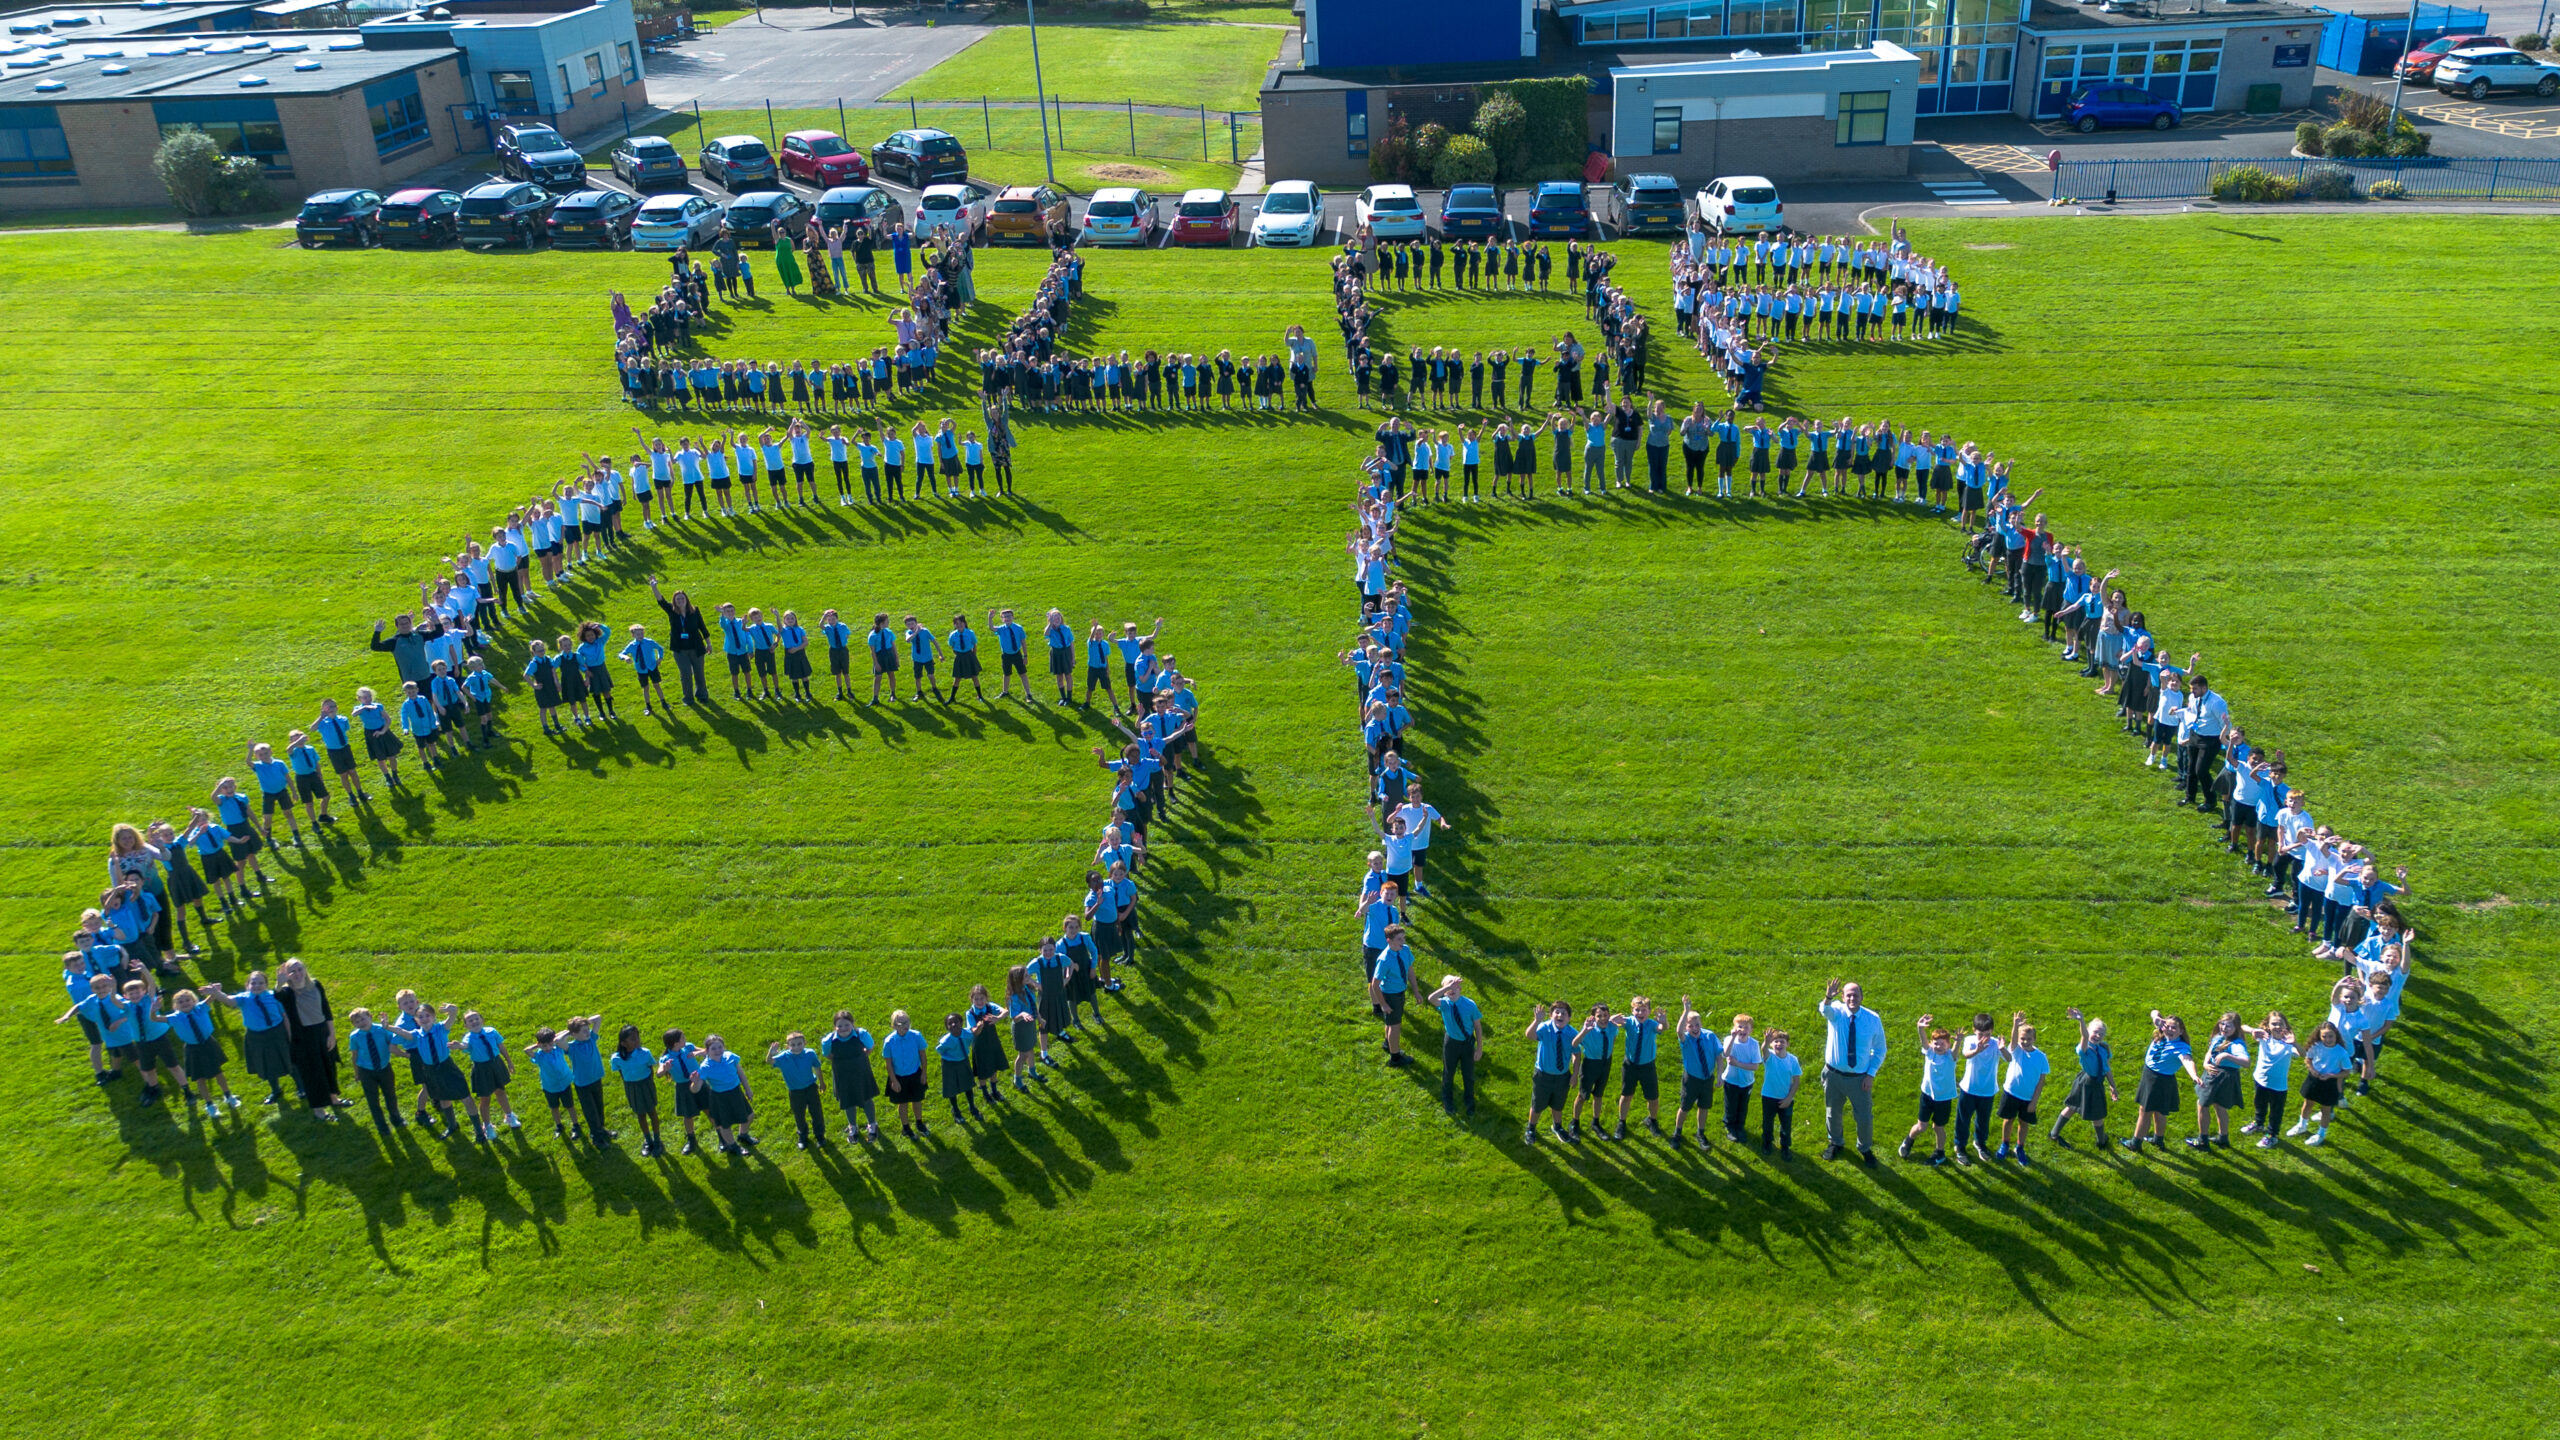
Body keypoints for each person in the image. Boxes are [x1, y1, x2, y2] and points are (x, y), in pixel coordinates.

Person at [1817, 977, 1886, 1163]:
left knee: (1864, 1117)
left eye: (1856, 995)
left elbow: (1880, 1049)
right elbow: (1824, 1010)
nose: (1852, 998)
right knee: (1833, 1112)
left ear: (1862, 996)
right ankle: (1836, 1143)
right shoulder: (1836, 1011)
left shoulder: (1872, 1019)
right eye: (1848, 995)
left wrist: (1871, 1074)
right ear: (1842, 996)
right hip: (1833, 1075)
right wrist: (1828, 997)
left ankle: (1864, 1148)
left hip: (1859, 1078)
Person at [2124, 1011, 2199, 1153]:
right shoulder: (2161, 1033)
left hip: (2158, 1080)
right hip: (2151, 1076)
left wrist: (2194, 1075)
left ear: (2181, 1031)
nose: (2170, 1030)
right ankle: (2158, 1140)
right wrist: (2157, 1018)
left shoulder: (2181, 1047)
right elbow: (2153, 1012)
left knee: (2145, 1111)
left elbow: (2187, 1060)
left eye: (2174, 1028)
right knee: (2158, 1112)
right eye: (2168, 1026)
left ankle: (2135, 1143)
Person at [2047, 1008, 2116, 1150]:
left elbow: (2106, 1068)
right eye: (2095, 1032)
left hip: (2097, 1082)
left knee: (2088, 1112)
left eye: (2101, 1033)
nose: (2097, 1035)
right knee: (2082, 1110)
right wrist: (2081, 1021)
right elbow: (2084, 1036)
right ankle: (2101, 1141)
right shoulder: (2084, 1049)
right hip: (2086, 1082)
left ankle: (2055, 1133)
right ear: (2089, 1031)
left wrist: (2112, 1086)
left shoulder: (2103, 1048)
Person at [1899, 1015, 1959, 1165]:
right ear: (1932, 1044)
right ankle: (1908, 1141)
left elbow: (1956, 1051)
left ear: (1948, 1045)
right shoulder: (1930, 1052)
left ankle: (1940, 1152)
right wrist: (1920, 1028)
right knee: (1921, 1126)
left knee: (1938, 1127)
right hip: (1927, 1095)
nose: (1939, 1046)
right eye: (1936, 1043)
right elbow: (1924, 1042)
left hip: (1944, 1098)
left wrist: (1958, 1041)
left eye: (1942, 1044)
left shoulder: (1950, 1057)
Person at [2189, 1012, 2248, 1151]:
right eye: (2222, 1024)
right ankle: (2223, 1138)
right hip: (2214, 1074)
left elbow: (2246, 1062)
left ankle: (2202, 1140)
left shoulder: (2236, 1044)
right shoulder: (2219, 1037)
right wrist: (2205, 1063)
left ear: (2236, 1028)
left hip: (2220, 1077)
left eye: (2229, 1026)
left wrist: (2227, 1055)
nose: (2224, 1028)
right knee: (2219, 1106)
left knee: (2202, 1105)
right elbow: (2210, 1051)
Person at [690, 1034, 757, 1156]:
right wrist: (694, 1082)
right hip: (720, 1097)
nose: (717, 1051)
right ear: (707, 1051)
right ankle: (732, 1146)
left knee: (750, 1115)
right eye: (713, 1048)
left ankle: (743, 1134)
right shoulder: (705, 1067)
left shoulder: (730, 1057)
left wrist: (748, 1089)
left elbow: (741, 1074)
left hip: (736, 1092)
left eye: (720, 1047)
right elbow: (695, 1090)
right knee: (725, 1124)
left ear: (724, 1047)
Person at [2290, 1020, 2353, 1146]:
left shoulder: (2341, 1052)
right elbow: (2308, 1059)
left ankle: (2321, 1134)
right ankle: (2302, 1125)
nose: (2328, 1039)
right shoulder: (2316, 1046)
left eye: (2331, 1036)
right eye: (2324, 1036)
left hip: (2329, 1083)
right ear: (2319, 1036)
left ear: (2336, 1035)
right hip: (2314, 1079)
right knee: (2308, 1103)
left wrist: (2332, 1075)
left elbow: (2347, 1071)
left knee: (2326, 1110)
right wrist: (2313, 1070)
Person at [1668, 998, 1721, 1148]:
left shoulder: (1710, 1036)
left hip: (1707, 1078)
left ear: (1701, 1024)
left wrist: (1720, 1075)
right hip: (1691, 1079)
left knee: (1704, 1107)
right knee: (1685, 1107)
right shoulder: (1686, 1039)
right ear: (1686, 1027)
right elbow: (1678, 1031)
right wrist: (1686, 1010)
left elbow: (1719, 1056)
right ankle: (1677, 1133)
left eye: (1697, 1024)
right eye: (1690, 1025)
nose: (1695, 1028)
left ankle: (1700, 1133)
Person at [1996, 1019, 2050, 1164]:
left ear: (2034, 1039)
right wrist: (2015, 1024)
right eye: (2022, 1039)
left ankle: (2020, 1147)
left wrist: (2034, 1102)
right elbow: (2013, 1042)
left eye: (2029, 1039)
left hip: (2028, 1098)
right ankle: (2005, 1144)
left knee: (2023, 1123)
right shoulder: (2016, 1050)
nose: (2025, 1042)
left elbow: (2041, 1081)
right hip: (2011, 1093)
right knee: (2008, 1120)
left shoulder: (2041, 1058)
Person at [1427, 974, 1481, 1118]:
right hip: (1451, 1043)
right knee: (1448, 1072)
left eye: (1454, 985)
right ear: (1445, 991)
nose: (1452, 988)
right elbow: (1431, 998)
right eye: (1448, 986)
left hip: (1467, 1044)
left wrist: (1479, 1048)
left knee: (1468, 1074)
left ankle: (1469, 1101)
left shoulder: (1470, 1005)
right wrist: (1447, 987)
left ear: (1460, 988)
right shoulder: (1444, 1004)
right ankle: (1447, 1099)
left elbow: (1477, 1027)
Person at [1523, 1000, 1576, 1144]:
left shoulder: (1572, 1033)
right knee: (1537, 1105)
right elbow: (1529, 1035)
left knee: (1558, 1104)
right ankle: (1531, 1128)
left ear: (1569, 1018)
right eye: (1556, 1012)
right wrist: (1536, 1021)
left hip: (1562, 1076)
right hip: (1543, 1075)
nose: (1560, 1015)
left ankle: (1557, 1127)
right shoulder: (1544, 1028)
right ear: (1551, 1015)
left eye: (1564, 1013)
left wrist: (1575, 1074)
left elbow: (1576, 1053)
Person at [1952, 1010, 2001, 1164]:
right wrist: (1977, 1050)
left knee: (1983, 1120)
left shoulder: (1996, 1044)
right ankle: (1960, 1146)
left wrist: (2003, 1048)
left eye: (1987, 1033)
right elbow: (1966, 1054)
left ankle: (1980, 1143)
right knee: (1963, 1119)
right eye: (1980, 1034)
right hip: (1969, 1089)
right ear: (1974, 1031)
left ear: (1992, 1031)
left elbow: (2009, 1058)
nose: (1983, 1037)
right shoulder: (1970, 1041)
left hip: (1988, 1091)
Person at [2240, 1012, 2295, 1149]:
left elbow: (2304, 1054)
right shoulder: (2264, 1036)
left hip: (2278, 1086)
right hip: (2260, 1079)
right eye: (2274, 1023)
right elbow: (2241, 1027)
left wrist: (2295, 1043)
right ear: (2268, 1026)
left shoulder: (2288, 1043)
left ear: (2286, 1026)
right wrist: (2253, 1030)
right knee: (2259, 1103)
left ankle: (2272, 1135)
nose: (2277, 1026)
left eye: (2280, 1024)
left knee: (2276, 1112)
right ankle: (2258, 1124)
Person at [1613, 995, 1665, 1139]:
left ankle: (1652, 1120)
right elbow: (1613, 1022)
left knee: (1653, 1097)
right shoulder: (1629, 1022)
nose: (1640, 1014)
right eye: (1637, 1010)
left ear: (1649, 1011)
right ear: (1632, 1010)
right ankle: (1622, 1122)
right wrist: (1613, 1019)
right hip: (1630, 1065)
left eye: (1644, 1010)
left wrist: (1664, 1022)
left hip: (1647, 1066)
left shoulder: (1652, 1024)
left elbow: (1662, 1028)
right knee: (1626, 1095)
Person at [823, 1010, 880, 1141]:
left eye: (846, 1025)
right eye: (839, 1026)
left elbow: (870, 1047)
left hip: (861, 1071)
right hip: (842, 1073)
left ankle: (872, 1124)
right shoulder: (828, 1040)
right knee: (847, 1100)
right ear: (835, 1027)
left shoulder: (861, 1034)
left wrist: (859, 1058)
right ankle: (852, 1127)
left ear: (852, 1024)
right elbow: (828, 1055)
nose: (843, 1029)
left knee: (866, 1097)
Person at [1367, 923, 1415, 1068]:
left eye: (1404, 938)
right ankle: (1395, 1058)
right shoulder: (1384, 959)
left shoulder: (1405, 950)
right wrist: (1383, 1004)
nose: (1403, 942)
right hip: (1391, 995)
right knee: (1395, 1026)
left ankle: (1388, 1044)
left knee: (1391, 1023)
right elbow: (1375, 984)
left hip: (1400, 991)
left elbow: (1410, 970)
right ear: (1389, 940)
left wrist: (1417, 991)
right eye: (1399, 939)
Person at [611, 1023, 663, 1156]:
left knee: (652, 1112)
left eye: (637, 1036)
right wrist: (630, 1085)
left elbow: (650, 1068)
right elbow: (621, 1073)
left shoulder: (645, 1053)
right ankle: (648, 1141)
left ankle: (657, 1141)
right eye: (633, 1038)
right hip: (631, 1086)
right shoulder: (617, 1058)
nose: (637, 1040)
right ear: (623, 1043)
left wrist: (648, 1083)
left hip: (646, 1084)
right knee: (640, 1114)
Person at [768, 1033, 825, 1149]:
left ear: (805, 1043)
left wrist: (822, 1082)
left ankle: (820, 1136)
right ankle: (803, 1136)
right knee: (799, 1115)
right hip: (795, 1092)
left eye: (799, 1044)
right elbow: (769, 1061)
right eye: (793, 1045)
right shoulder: (784, 1057)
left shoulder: (810, 1054)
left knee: (816, 1112)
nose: (797, 1047)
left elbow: (817, 1067)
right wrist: (771, 1052)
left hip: (811, 1088)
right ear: (788, 1046)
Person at [880, 1010, 930, 1139]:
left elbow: (923, 1056)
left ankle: (919, 1123)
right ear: (894, 1026)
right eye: (900, 1023)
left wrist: (924, 1073)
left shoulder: (916, 1036)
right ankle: (906, 1127)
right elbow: (888, 1064)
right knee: (902, 1103)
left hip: (915, 1074)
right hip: (899, 1077)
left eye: (906, 1021)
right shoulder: (889, 1041)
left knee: (917, 1100)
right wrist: (894, 1080)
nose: (904, 1025)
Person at [1759, 1029, 1802, 1155]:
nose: (1779, 1044)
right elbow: (1764, 1050)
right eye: (1775, 1041)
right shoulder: (1770, 1057)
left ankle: (1785, 1147)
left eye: (1782, 1041)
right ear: (1772, 1044)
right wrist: (1766, 1042)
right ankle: (1767, 1143)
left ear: (1787, 1044)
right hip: (1768, 1097)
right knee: (1767, 1123)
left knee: (1786, 1125)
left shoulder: (1793, 1060)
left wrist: (1789, 1098)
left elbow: (1796, 1081)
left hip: (1785, 1098)